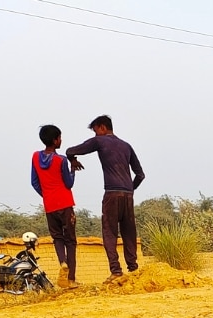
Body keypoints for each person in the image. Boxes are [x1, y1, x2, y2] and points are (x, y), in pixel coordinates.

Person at [66, 115, 145, 278]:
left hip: (111, 193)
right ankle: (133, 268)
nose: (95, 135)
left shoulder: (99, 141)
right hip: (128, 195)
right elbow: (140, 175)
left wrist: (72, 160)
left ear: (102, 127)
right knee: (129, 232)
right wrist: (130, 189)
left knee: (109, 232)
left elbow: (70, 150)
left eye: (96, 131)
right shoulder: (126, 146)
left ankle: (116, 271)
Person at [32, 124, 78, 289]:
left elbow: (34, 182)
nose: (61, 140)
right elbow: (68, 183)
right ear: (54, 140)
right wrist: (72, 170)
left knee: (57, 238)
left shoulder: (35, 157)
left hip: (50, 205)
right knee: (71, 241)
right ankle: (71, 279)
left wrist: (47, 195)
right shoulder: (61, 160)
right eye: (59, 137)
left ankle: (62, 262)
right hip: (65, 204)